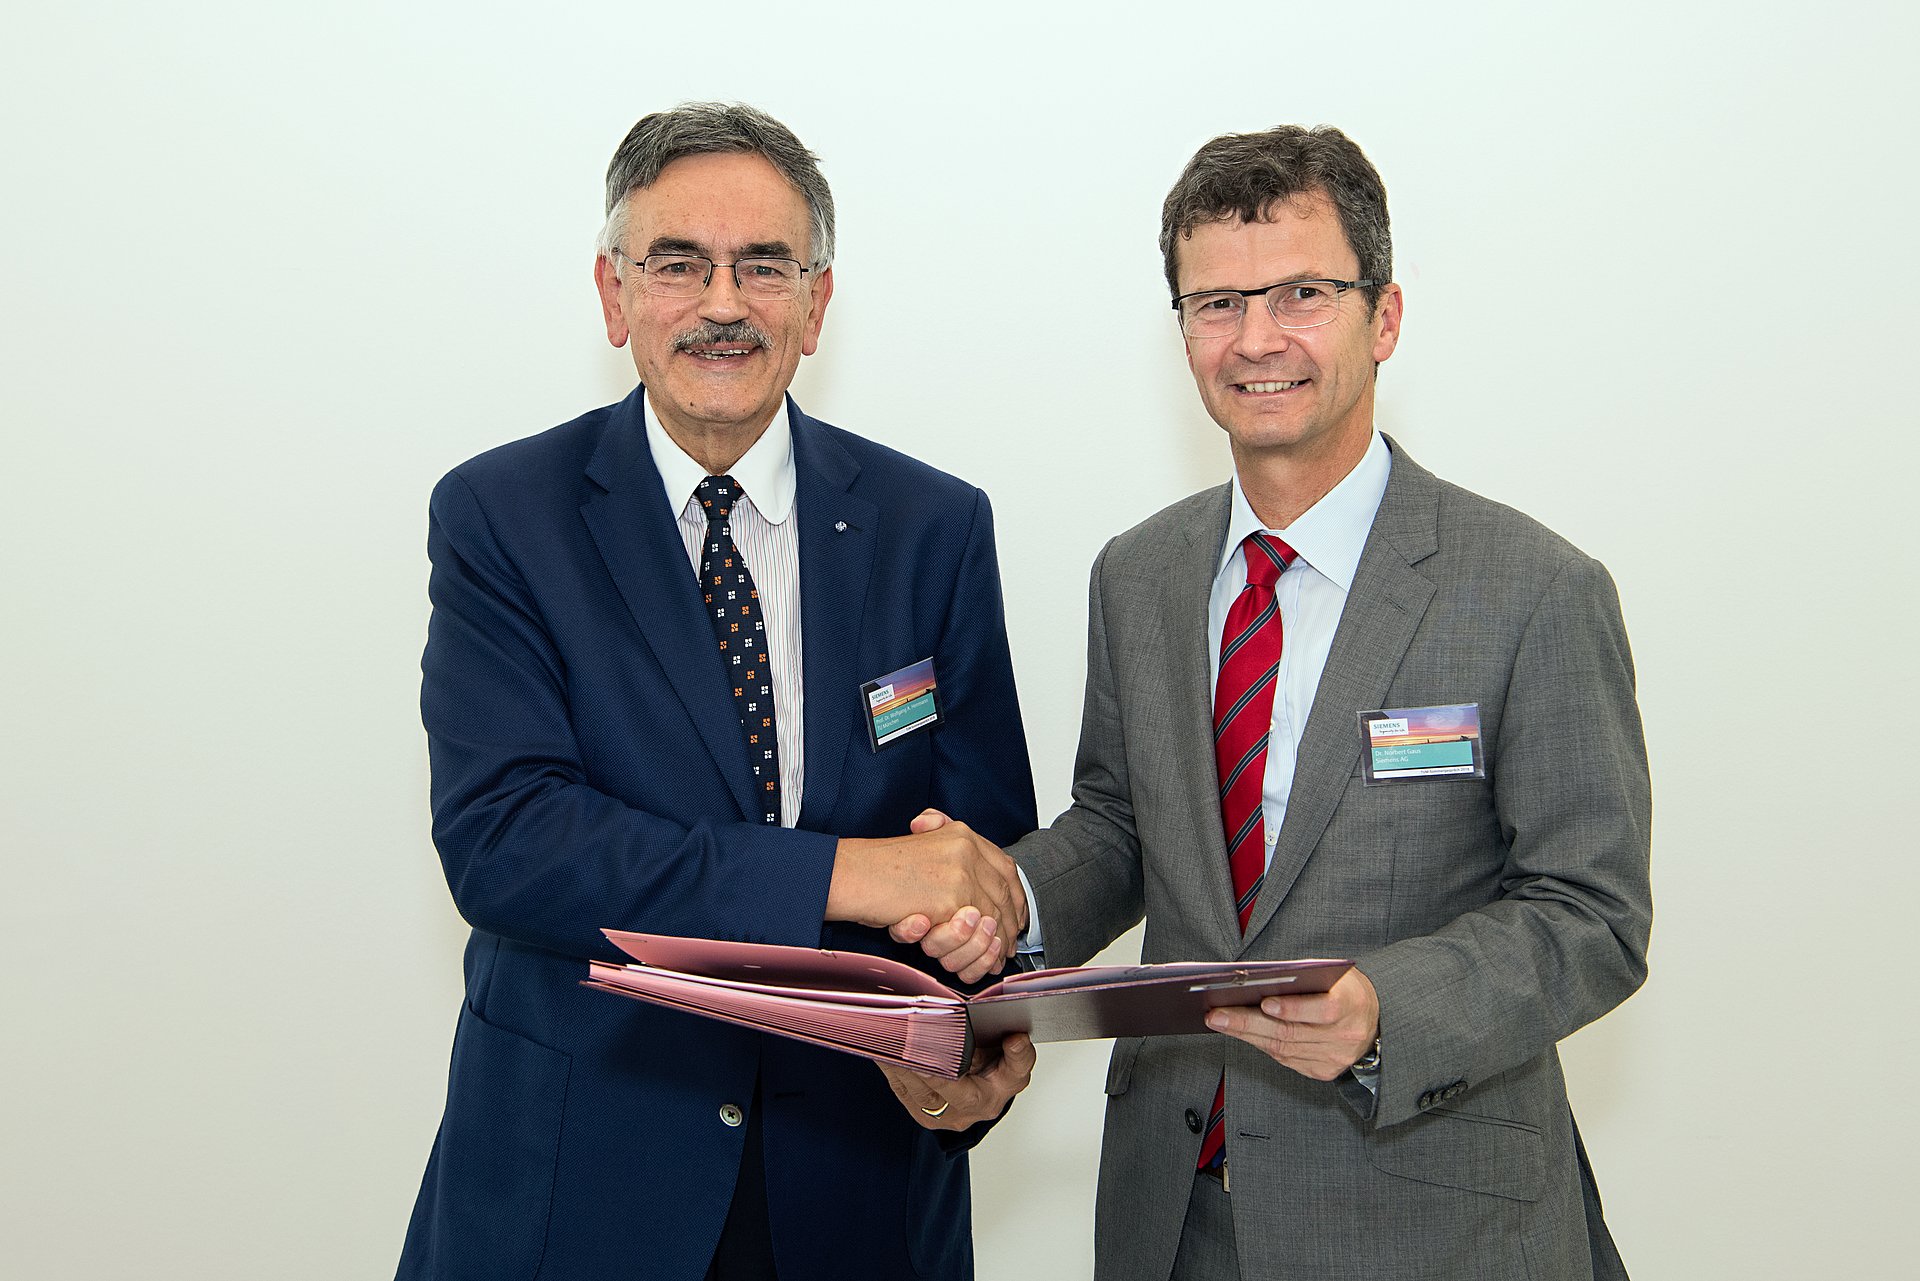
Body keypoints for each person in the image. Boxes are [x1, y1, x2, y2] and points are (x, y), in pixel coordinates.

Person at [901, 125, 1652, 1279]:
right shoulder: (1138, 574)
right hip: (1175, 1213)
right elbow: (1121, 827)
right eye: (1217, 303)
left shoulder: (1534, 589)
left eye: (1302, 293)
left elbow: (1591, 913)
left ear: (1383, 317)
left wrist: (1386, 1005)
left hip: (1433, 1223)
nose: (1257, 338)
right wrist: (1008, 902)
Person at [396, 102, 1038, 1281]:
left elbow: (980, 857)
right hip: (581, 1199)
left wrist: (966, 1051)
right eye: (679, 263)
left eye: (765, 266)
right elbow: (508, 845)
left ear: (817, 304)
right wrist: (847, 874)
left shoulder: (934, 526)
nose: (724, 302)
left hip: (859, 1196)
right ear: (614, 294)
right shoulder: (502, 518)